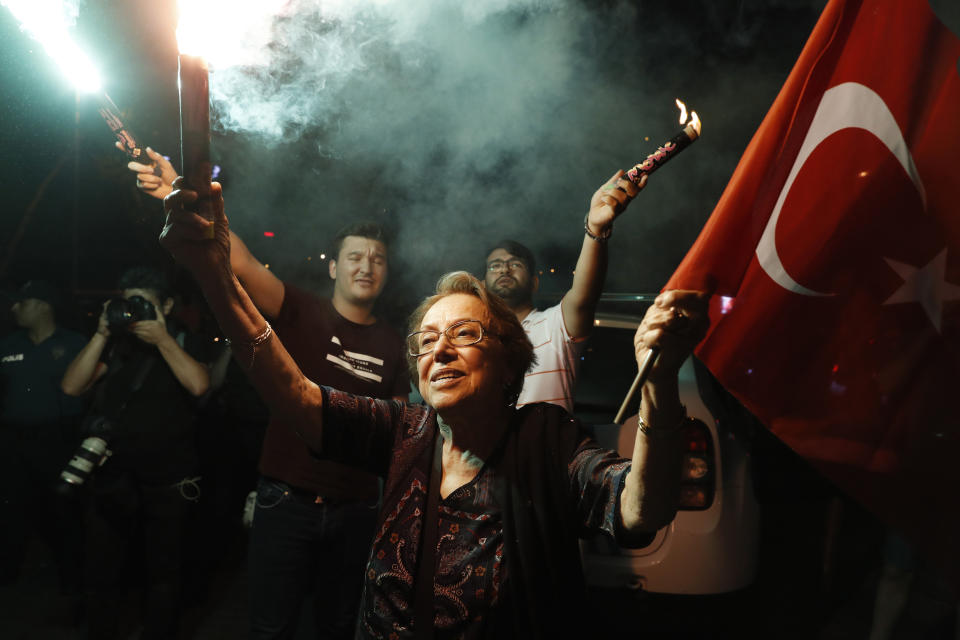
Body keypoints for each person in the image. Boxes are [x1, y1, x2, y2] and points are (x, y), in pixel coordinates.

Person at [160, 178, 710, 638]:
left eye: (464, 332)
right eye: (426, 339)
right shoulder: (406, 430)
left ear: (506, 359)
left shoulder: (545, 438)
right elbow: (299, 398)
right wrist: (214, 275)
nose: (439, 348)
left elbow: (641, 509)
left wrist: (659, 387)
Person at [126, 147, 410, 639]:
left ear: (386, 273)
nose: (366, 266)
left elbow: (399, 426)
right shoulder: (299, 309)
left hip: (357, 509)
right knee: (269, 627)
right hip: (287, 502)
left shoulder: (397, 342)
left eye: (377, 259)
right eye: (355, 257)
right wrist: (185, 196)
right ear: (334, 268)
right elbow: (238, 260)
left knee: (340, 626)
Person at [61, 267, 211, 640]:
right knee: (102, 571)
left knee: (163, 575)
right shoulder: (116, 346)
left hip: (168, 482)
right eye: (128, 304)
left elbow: (198, 385)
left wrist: (162, 340)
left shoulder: (183, 339)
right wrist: (100, 333)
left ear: (167, 305)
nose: (134, 311)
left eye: (143, 303)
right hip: (113, 480)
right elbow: (71, 386)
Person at [482, 170, 645, 411]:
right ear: (482, 285)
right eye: (495, 265)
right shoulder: (474, 337)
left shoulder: (554, 325)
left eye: (516, 264)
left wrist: (596, 229)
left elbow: (583, 297)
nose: (505, 269)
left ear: (535, 283)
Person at [0, 280, 86, 596]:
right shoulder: (8, 346)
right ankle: (8, 577)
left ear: (43, 306)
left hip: (58, 439)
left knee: (62, 512)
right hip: (13, 441)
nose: (14, 308)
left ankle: (72, 581)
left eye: (22, 302)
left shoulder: (76, 344)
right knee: (11, 511)